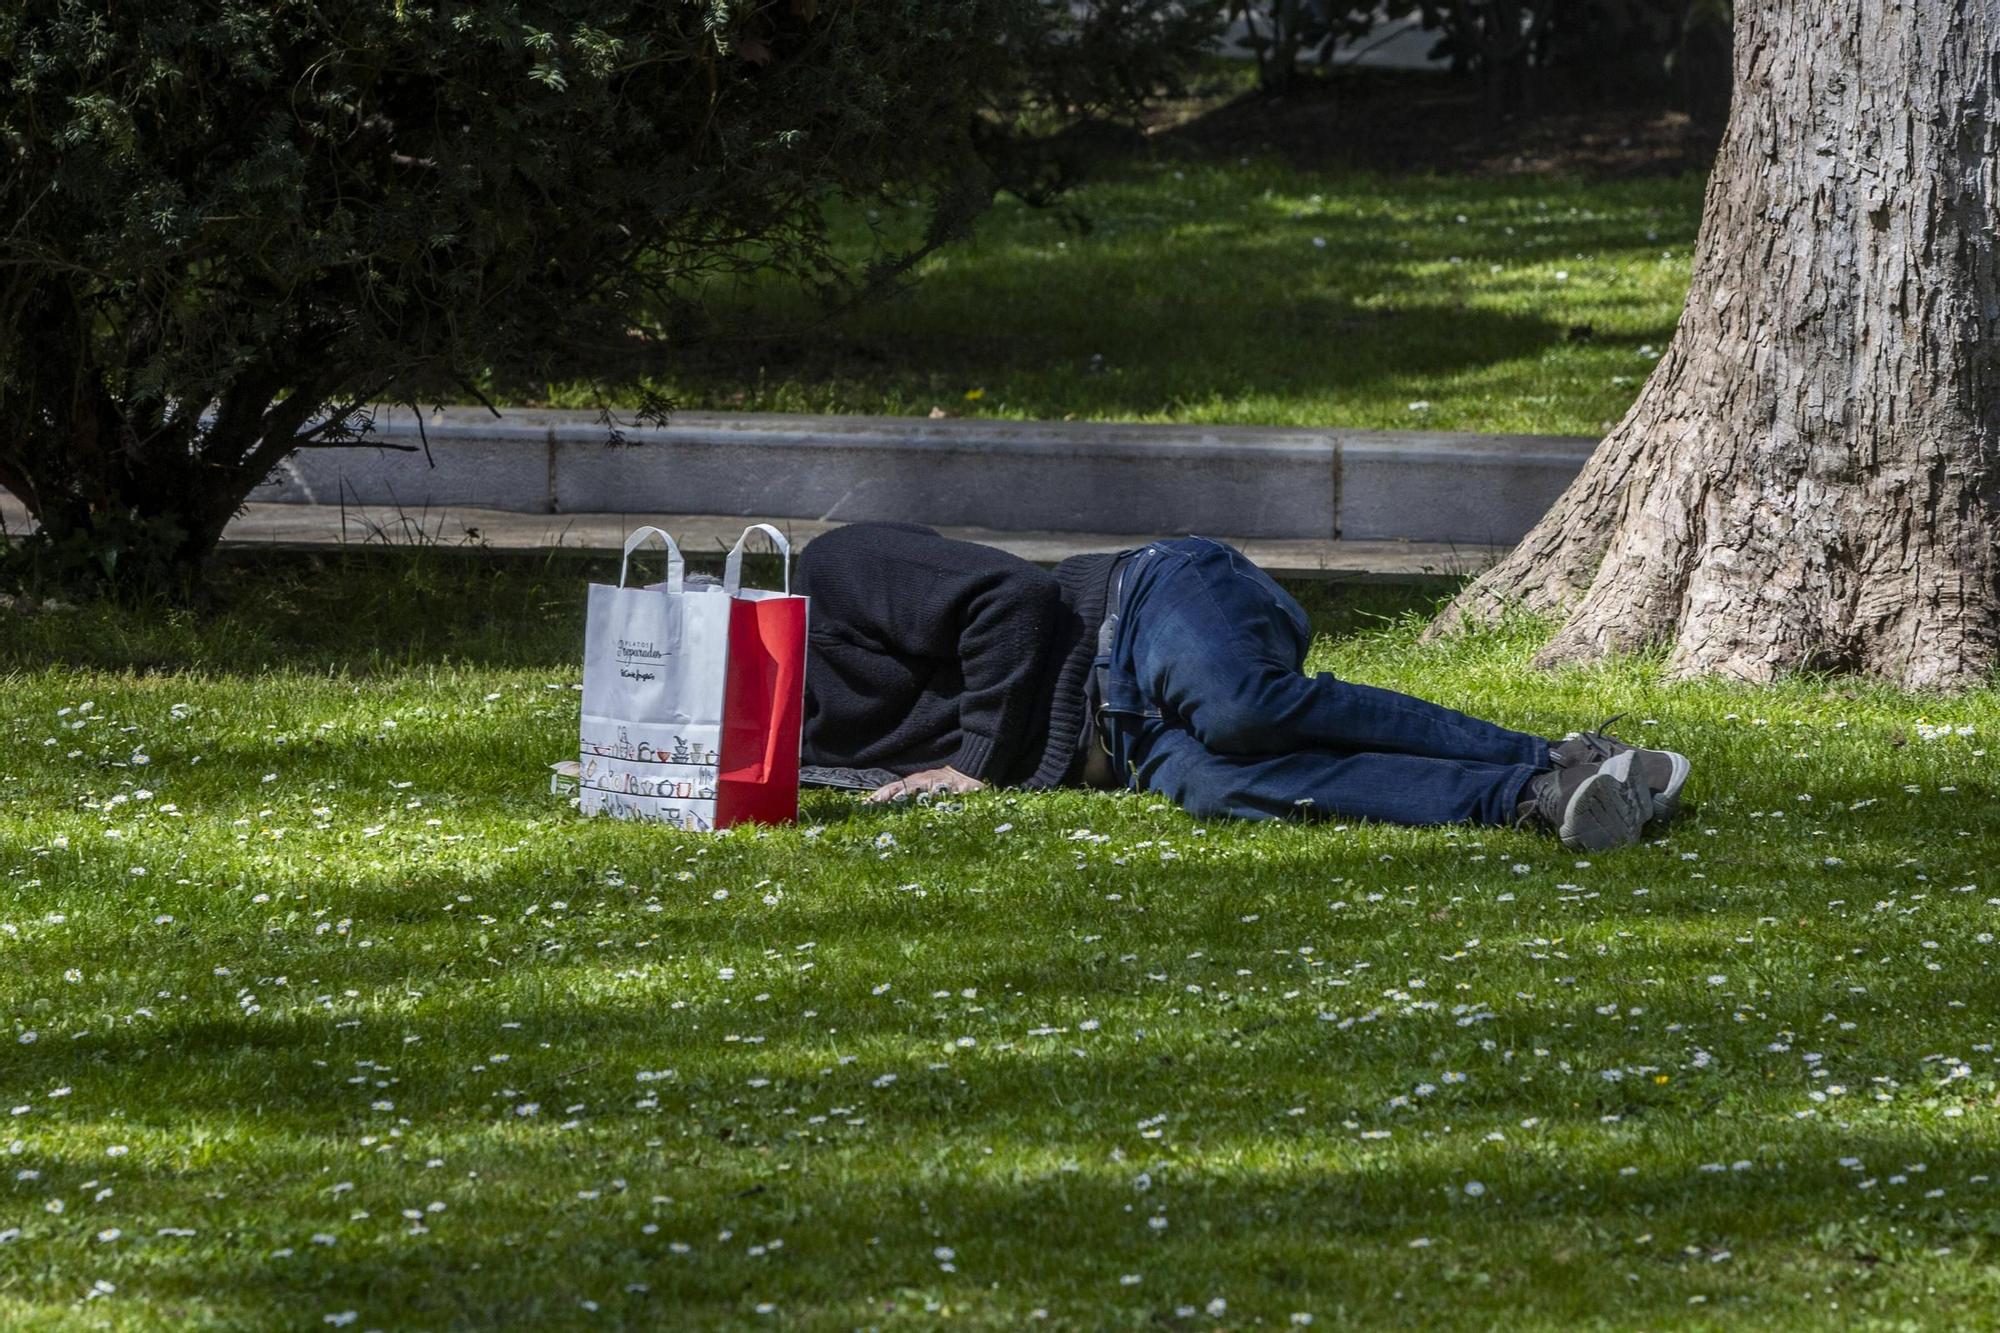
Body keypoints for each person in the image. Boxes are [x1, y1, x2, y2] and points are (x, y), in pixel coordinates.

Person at [795, 522, 1689, 850]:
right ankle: (1544, 796)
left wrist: (980, 763)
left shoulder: (828, 573)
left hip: (1143, 604)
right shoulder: (786, 752)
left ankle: (1567, 752)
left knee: (1243, 707)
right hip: (1127, 748)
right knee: (1224, 783)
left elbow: (1012, 599)